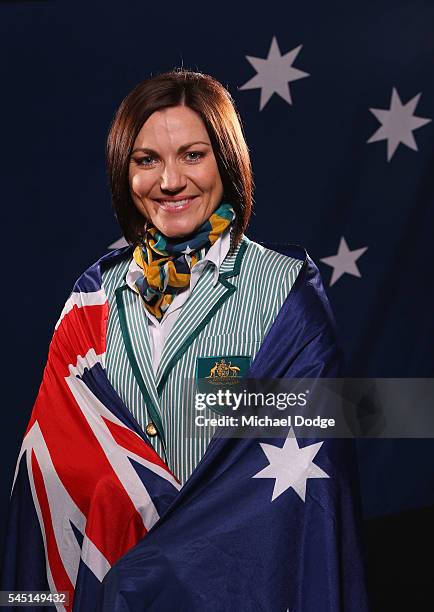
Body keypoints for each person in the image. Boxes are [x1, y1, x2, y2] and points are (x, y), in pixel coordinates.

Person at [1, 70, 368, 611]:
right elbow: (45, 488)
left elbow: (314, 498)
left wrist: (163, 569)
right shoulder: (91, 300)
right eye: (146, 160)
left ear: (227, 159)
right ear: (124, 172)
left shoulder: (285, 295)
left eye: (192, 155)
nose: (169, 181)